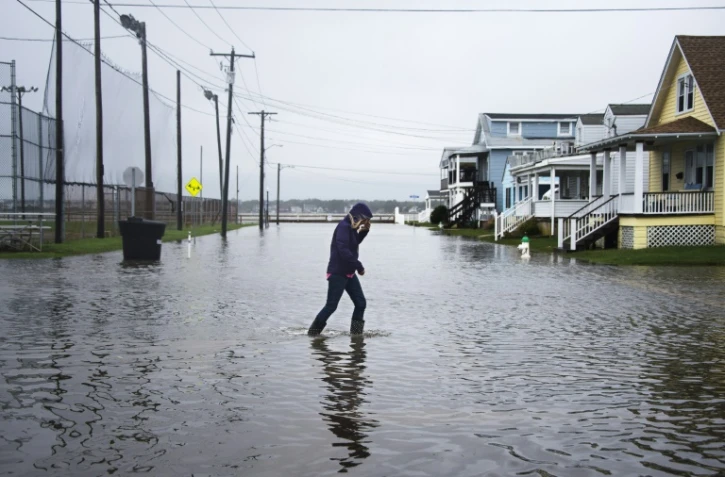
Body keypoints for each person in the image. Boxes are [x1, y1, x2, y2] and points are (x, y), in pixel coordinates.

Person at [308, 203, 373, 336]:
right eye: (364, 219)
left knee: (360, 303)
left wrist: (364, 231)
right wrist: (359, 266)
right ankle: (312, 334)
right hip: (337, 273)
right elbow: (343, 250)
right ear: (357, 216)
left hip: (349, 273)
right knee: (331, 306)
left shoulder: (351, 228)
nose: (365, 222)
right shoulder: (343, 227)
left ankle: (356, 336)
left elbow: (354, 243)